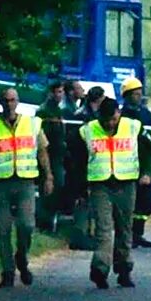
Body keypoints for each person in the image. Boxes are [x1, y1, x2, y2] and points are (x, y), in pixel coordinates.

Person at [69, 97, 151, 289]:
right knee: (103, 229)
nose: (110, 123)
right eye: (106, 120)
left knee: (125, 229)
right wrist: (80, 188)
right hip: (100, 186)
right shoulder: (87, 131)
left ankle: (124, 270)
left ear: (119, 114)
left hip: (126, 184)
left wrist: (147, 173)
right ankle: (100, 270)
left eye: (114, 119)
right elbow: (77, 161)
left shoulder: (133, 127)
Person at [0, 87, 52, 288]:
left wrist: (48, 176)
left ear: (18, 102)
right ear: (0, 102)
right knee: (3, 228)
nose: (9, 104)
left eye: (13, 100)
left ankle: (22, 259)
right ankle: (8, 271)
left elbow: (42, 152)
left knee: (27, 225)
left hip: (25, 181)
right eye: (6, 100)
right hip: (0, 184)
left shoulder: (33, 124)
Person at [118, 76, 151, 248]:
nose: (138, 96)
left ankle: (138, 233)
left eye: (139, 93)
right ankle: (127, 235)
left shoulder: (146, 115)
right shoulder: (121, 116)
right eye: (134, 94)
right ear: (126, 95)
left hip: (144, 163)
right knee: (128, 203)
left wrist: (149, 170)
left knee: (146, 202)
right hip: (126, 164)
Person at [64, 84, 107, 251]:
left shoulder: (87, 113)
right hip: (81, 163)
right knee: (83, 199)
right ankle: (79, 236)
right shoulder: (83, 116)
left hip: (88, 162)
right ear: (98, 99)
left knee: (89, 200)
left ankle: (87, 234)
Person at [36, 80, 72, 229]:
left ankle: (51, 220)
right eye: (57, 92)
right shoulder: (44, 111)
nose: (60, 95)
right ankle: (43, 221)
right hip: (48, 154)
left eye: (61, 92)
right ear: (51, 93)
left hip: (58, 155)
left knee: (58, 187)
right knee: (48, 187)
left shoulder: (59, 110)